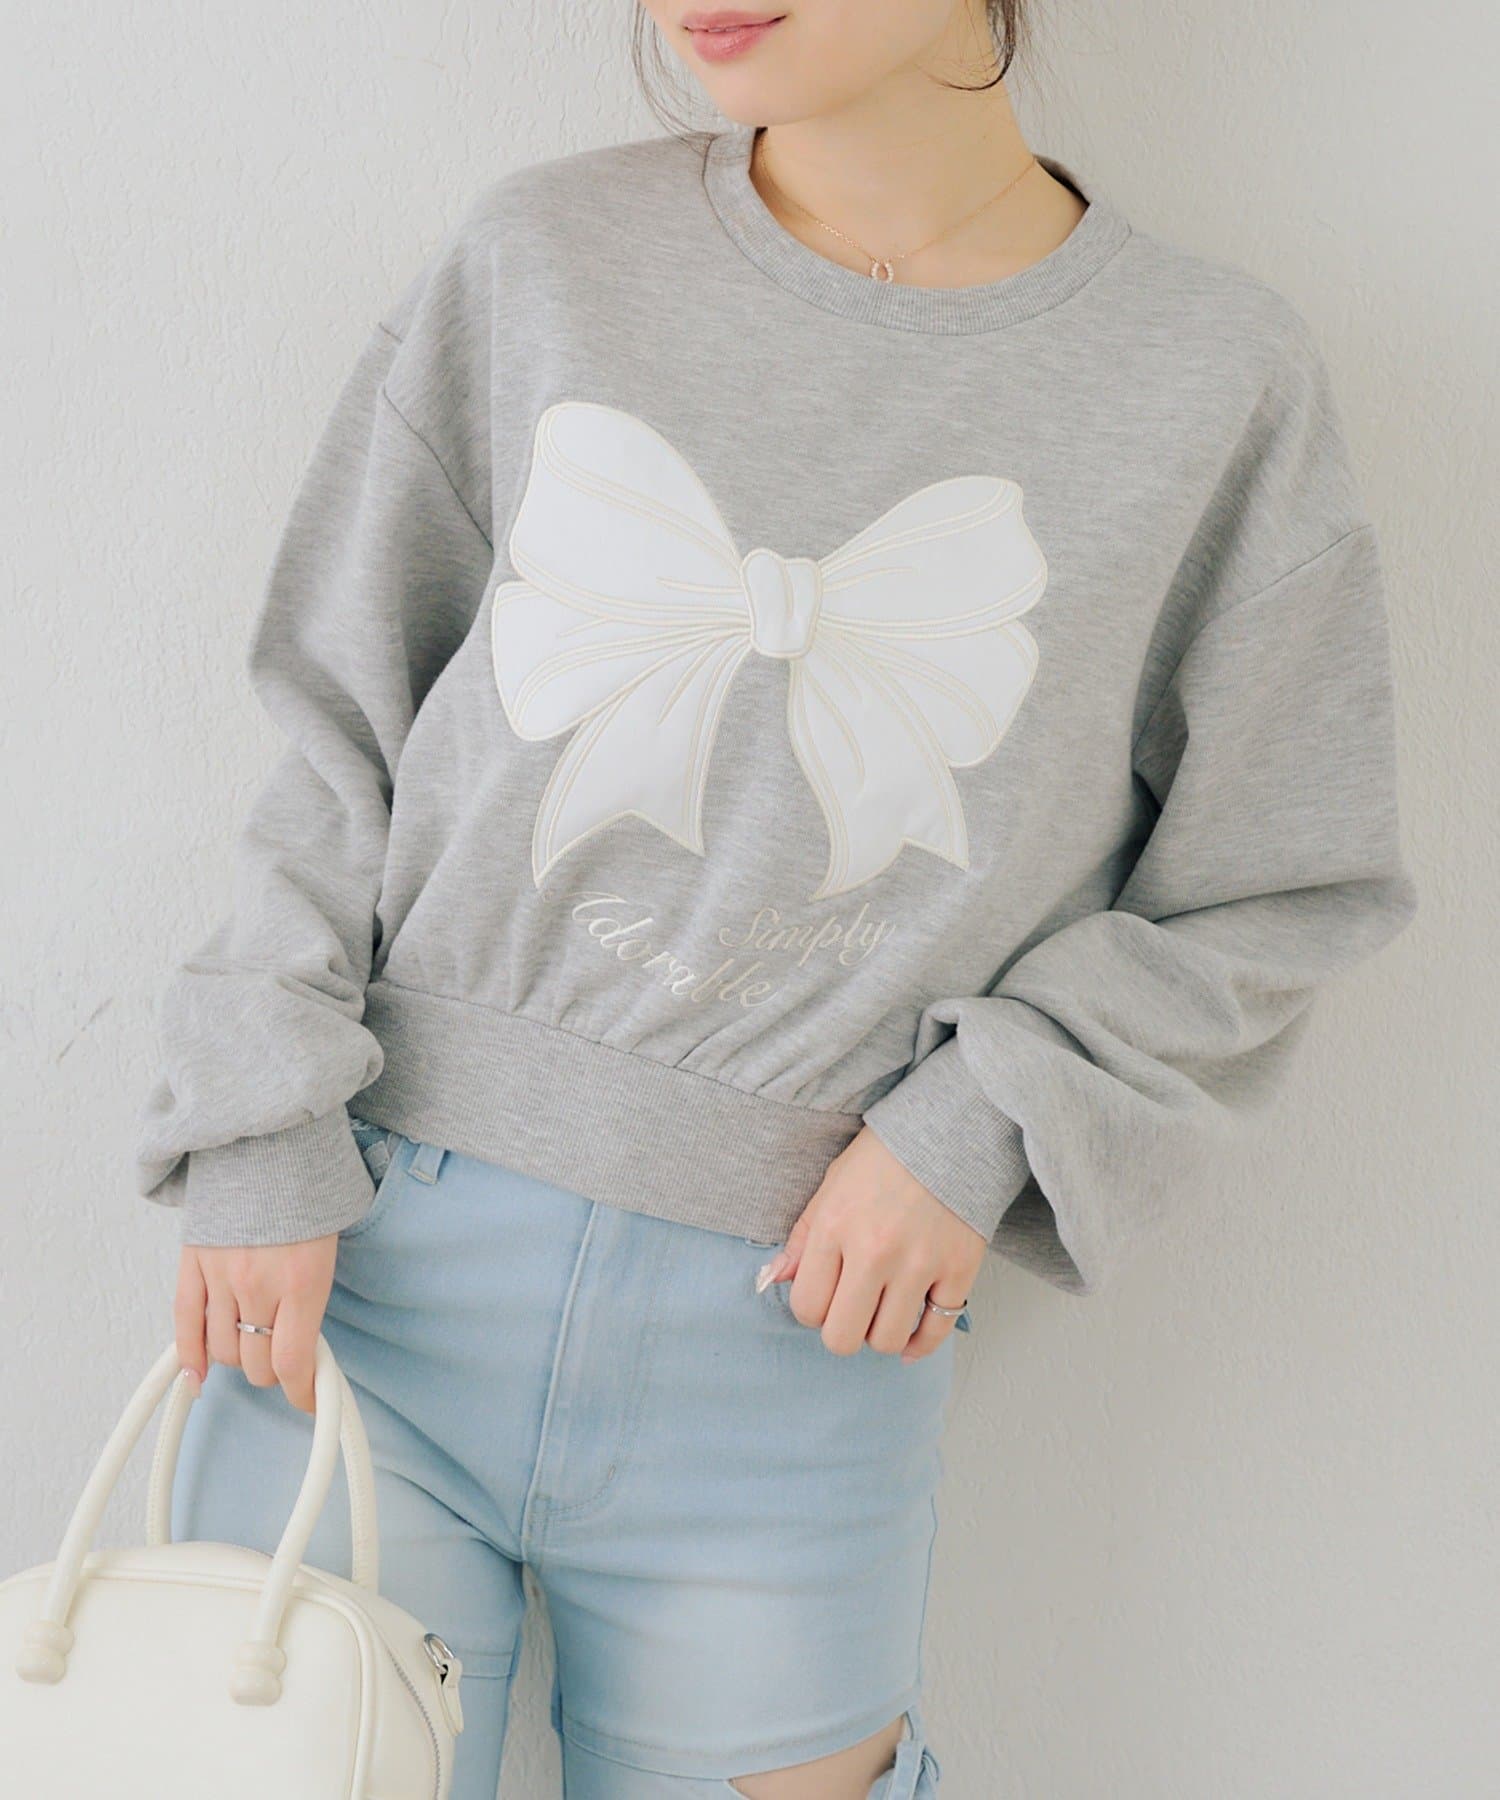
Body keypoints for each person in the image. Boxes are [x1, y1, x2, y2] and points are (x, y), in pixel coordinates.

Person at [135, 3, 1420, 1794]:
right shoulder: (546, 255)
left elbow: (1283, 881)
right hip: (358, 1283)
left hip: (801, 1354)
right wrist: (257, 1121)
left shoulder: (1214, 377)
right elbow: (336, 726)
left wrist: (979, 1122)